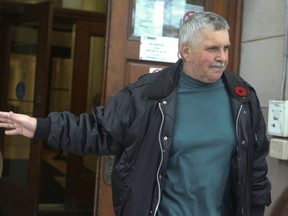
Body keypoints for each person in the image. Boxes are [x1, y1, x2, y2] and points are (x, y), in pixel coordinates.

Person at [0, 11, 271, 216]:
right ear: (185, 51)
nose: (222, 57)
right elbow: (98, 131)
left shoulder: (242, 97)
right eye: (212, 48)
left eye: (225, 47)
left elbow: (255, 166)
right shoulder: (149, 94)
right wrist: (41, 127)